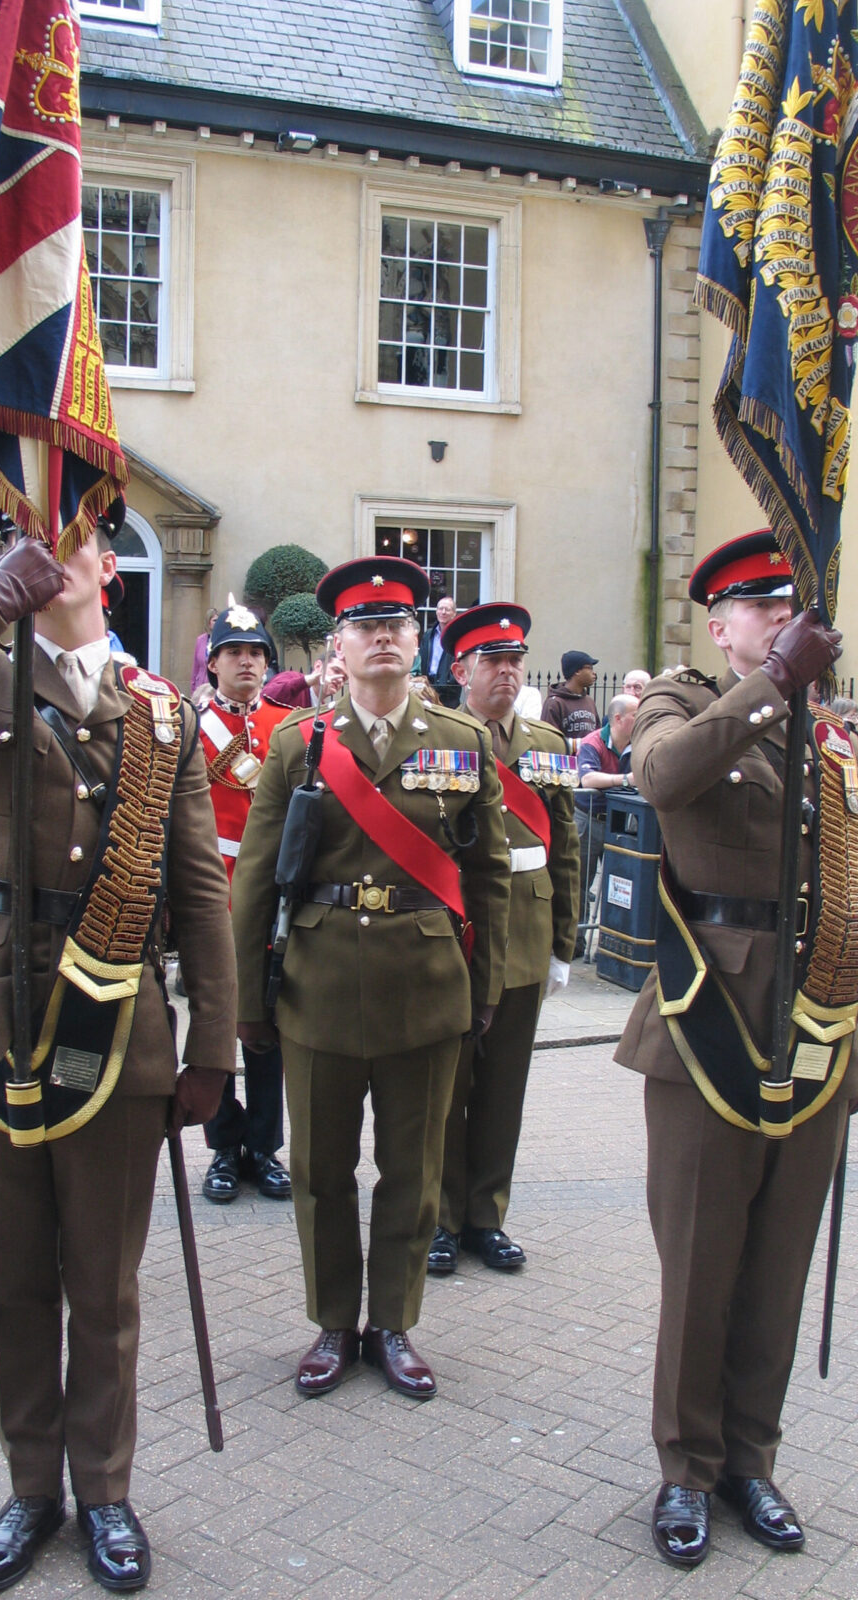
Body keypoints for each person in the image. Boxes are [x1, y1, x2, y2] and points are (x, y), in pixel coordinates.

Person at [0, 520, 237, 1595]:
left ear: (110, 564)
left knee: (102, 1285)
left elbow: (200, 887)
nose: (51, 553)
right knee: (11, 1280)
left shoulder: (163, 712)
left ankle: (105, 1492)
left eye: (71, 539)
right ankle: (32, 1488)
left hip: (118, 1026)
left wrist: (214, 1044)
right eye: (28, 536)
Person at [614, 529, 858, 1570]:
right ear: (720, 624)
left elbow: (848, 886)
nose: (783, 618)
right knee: (702, 1263)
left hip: (817, 1009)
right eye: (760, 607)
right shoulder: (681, 702)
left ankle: (750, 1458)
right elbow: (665, 779)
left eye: (792, 606)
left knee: (778, 1260)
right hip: (710, 1017)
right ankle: (685, 1467)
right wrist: (773, 683)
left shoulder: (833, 738)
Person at [231, 556, 510, 1400]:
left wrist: (486, 989)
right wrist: (248, 1003)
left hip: (426, 987)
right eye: (364, 625)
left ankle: (391, 1324)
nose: (382, 636)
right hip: (318, 986)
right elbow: (252, 880)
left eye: (396, 624)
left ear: (417, 641)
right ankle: (330, 1322)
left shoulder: (461, 745)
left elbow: (489, 877)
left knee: (412, 1172)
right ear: (338, 649)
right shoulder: (298, 743)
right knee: (319, 1171)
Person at [427, 603, 580, 1275]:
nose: (508, 673)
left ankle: (486, 1216)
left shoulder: (547, 746)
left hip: (525, 929)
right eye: (493, 661)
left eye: (516, 660)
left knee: (503, 1089)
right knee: (444, 1087)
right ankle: (439, 1216)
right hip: (456, 933)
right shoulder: (436, 740)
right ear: (461, 669)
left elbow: (566, 846)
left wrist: (563, 943)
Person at [197, 598, 294, 1205]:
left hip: (271, 893)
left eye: (256, 653)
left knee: (268, 1025)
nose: (247, 664)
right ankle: (223, 1146)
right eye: (235, 653)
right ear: (213, 664)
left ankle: (265, 1146)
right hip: (211, 888)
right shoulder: (188, 725)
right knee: (214, 1028)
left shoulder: (286, 725)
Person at [573, 696, 637, 958]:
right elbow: (587, 777)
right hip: (588, 818)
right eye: (636, 713)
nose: (642, 718)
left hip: (621, 823)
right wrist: (625, 780)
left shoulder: (640, 742)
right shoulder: (593, 742)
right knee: (579, 882)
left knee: (619, 884)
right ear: (618, 718)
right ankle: (576, 942)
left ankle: (612, 944)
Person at [543, 650, 600, 743]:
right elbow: (549, 741)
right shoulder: (555, 703)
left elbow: (597, 734)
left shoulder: (589, 701)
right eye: (589, 668)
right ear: (577, 671)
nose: (594, 673)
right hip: (565, 757)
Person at [413, 595, 460, 707]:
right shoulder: (429, 635)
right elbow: (421, 658)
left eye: (447, 609)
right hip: (428, 687)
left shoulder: (457, 637)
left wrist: (450, 681)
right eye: (440, 609)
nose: (443, 612)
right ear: (436, 611)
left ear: (454, 613)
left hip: (448, 692)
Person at [190, 605, 218, 695]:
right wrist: (193, 688)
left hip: (215, 686)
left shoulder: (221, 640)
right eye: (214, 621)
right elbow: (196, 667)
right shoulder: (200, 640)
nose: (217, 623)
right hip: (200, 686)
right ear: (208, 622)